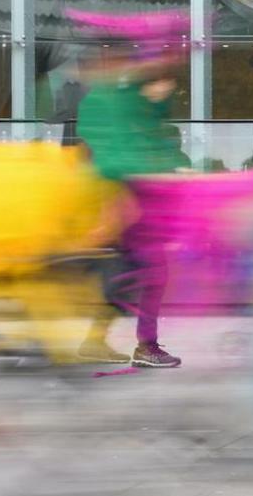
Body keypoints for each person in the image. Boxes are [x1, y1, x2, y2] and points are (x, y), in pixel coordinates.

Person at [74, 23, 190, 369]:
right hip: (124, 198)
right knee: (152, 274)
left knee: (126, 277)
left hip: (128, 198)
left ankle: (96, 341)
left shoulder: (114, 96)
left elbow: (153, 115)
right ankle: (146, 346)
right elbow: (108, 155)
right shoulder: (104, 100)